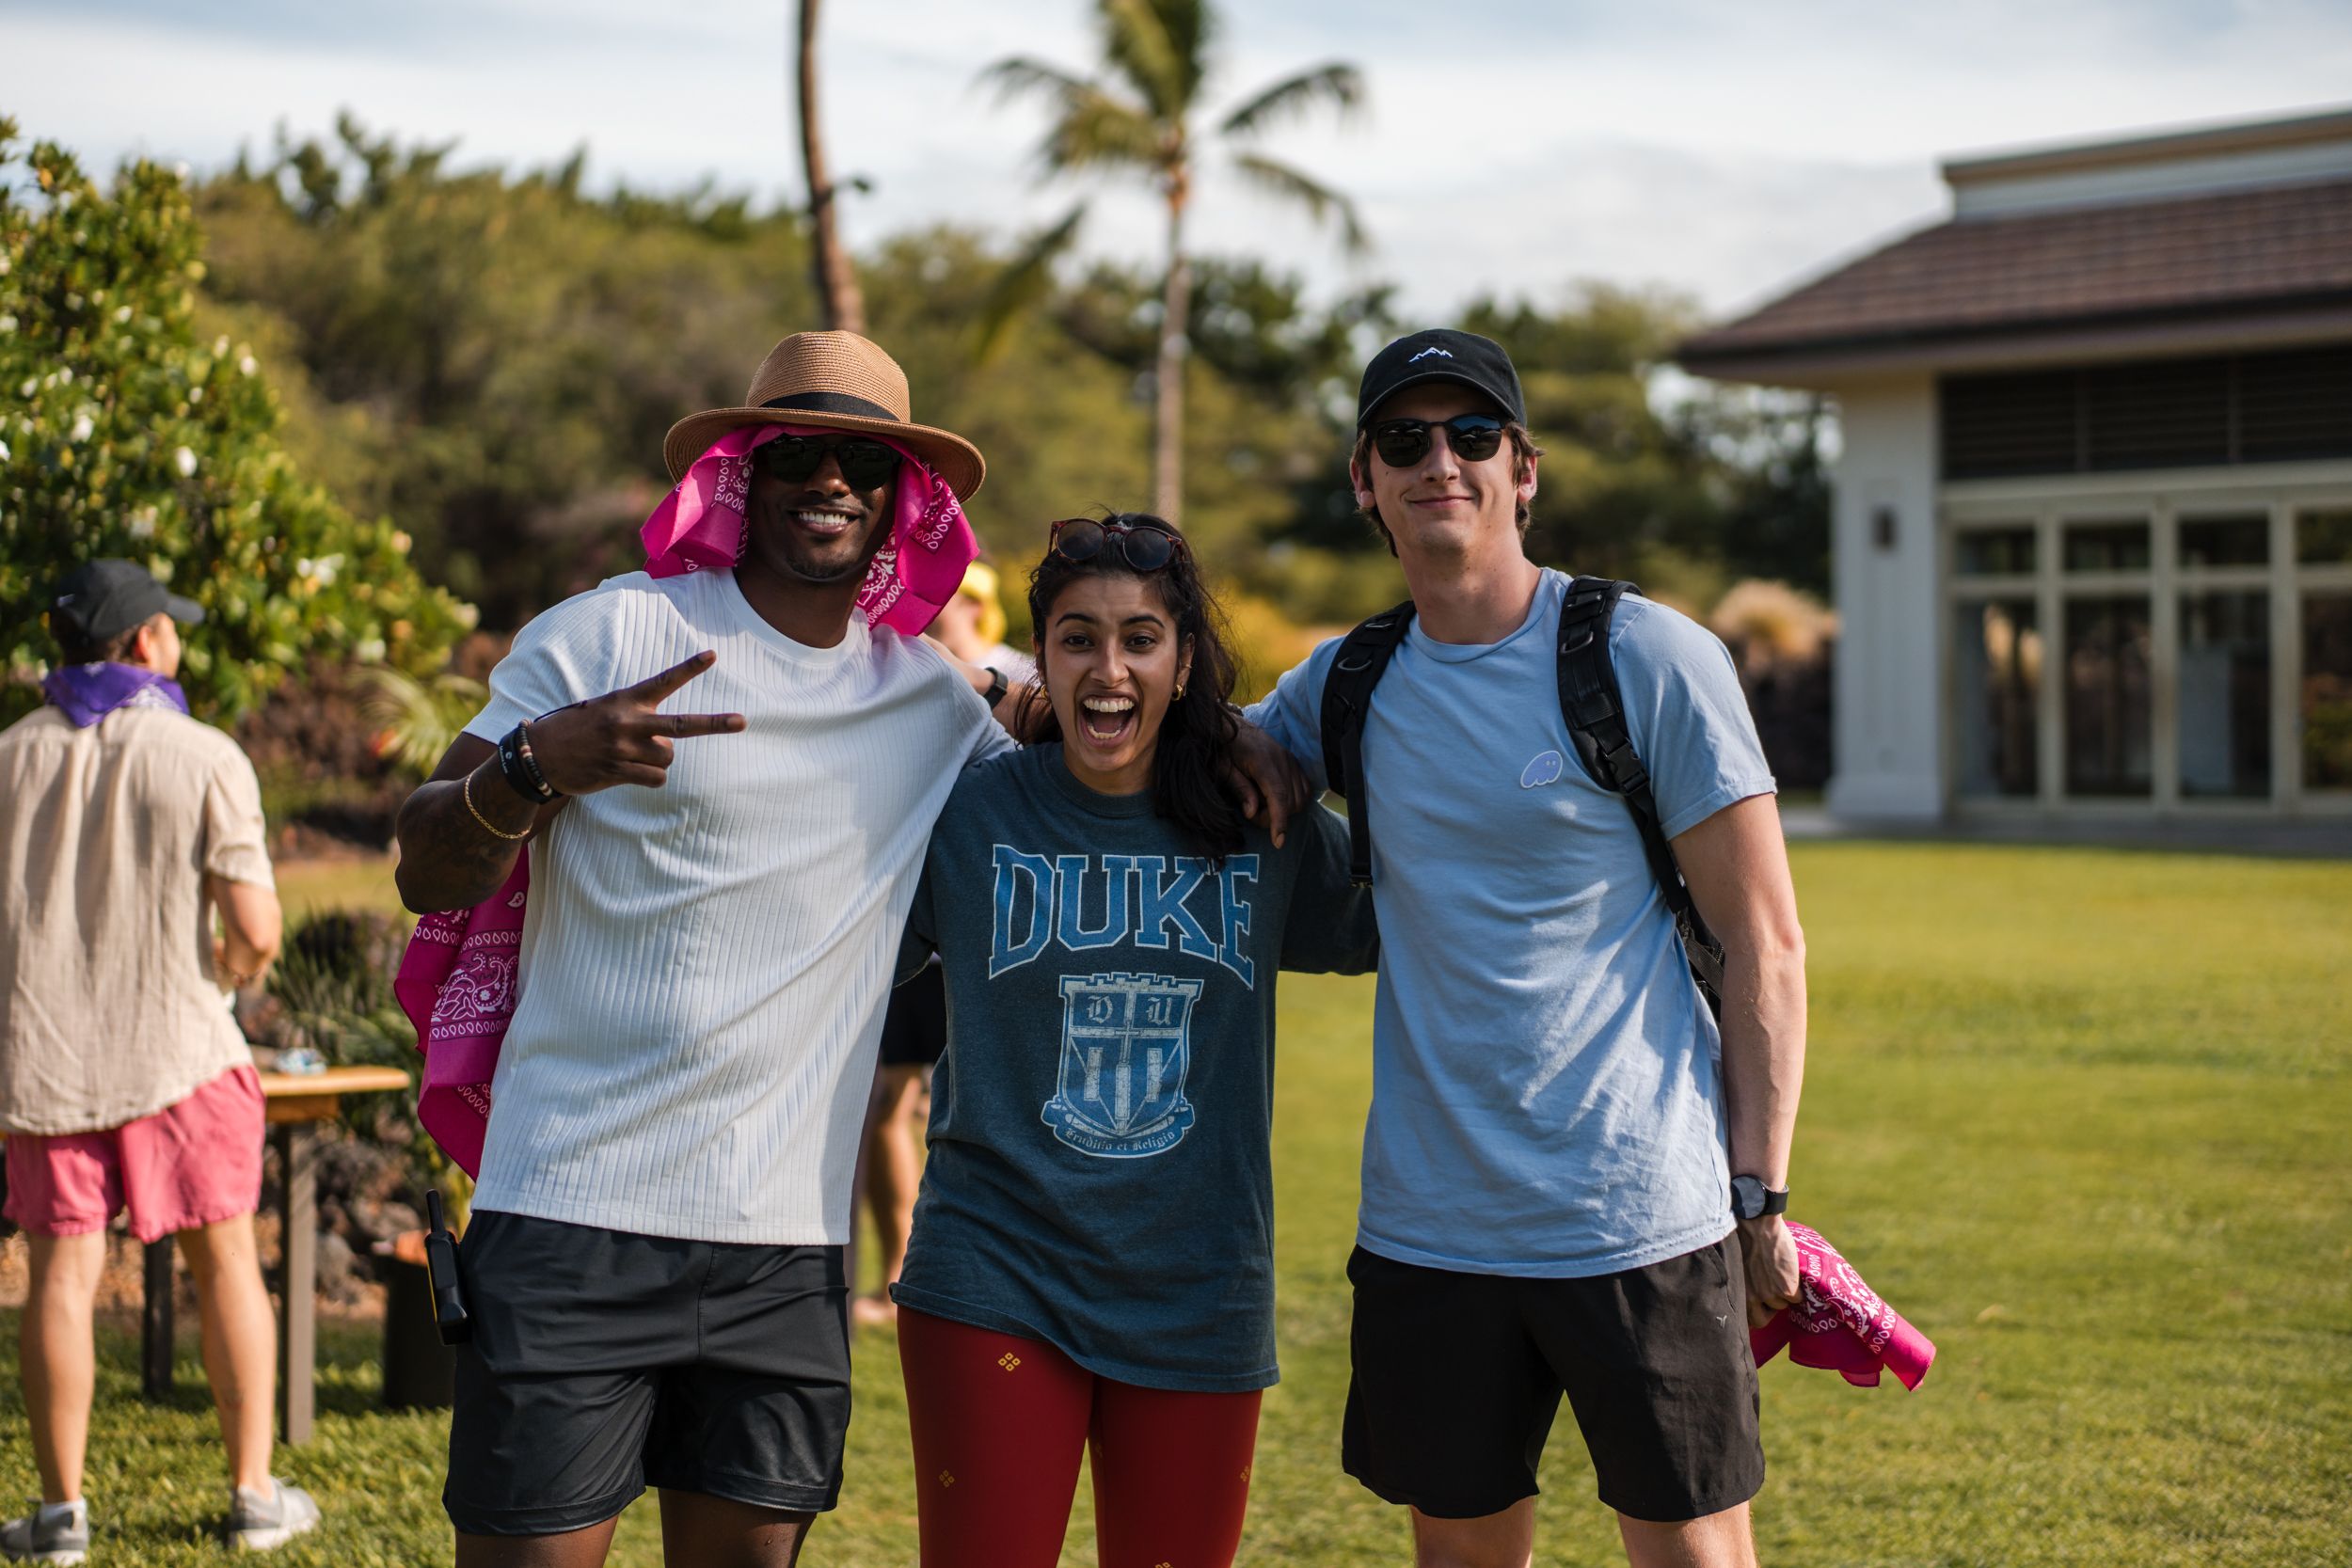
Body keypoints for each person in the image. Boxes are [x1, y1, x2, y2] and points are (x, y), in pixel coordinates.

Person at [392, 333, 1304, 1568]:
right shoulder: (611, 636)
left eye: (863, 462)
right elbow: (426, 862)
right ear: (742, 472)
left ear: (903, 501)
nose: (830, 479)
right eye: (798, 451)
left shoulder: (931, 705)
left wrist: (1228, 738)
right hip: (568, 1219)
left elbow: (1090, 730)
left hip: (784, 1250)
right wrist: (534, 766)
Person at [1246, 330, 1809, 1568]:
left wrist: (1761, 1191)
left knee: (1696, 1552)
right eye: (1404, 439)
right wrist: (1009, 698)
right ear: (1364, 479)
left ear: (1524, 467)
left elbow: (1762, 935)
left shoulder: (1645, 655)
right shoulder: (1345, 683)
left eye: (1470, 434)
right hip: (1429, 1224)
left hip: (1639, 1215)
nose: (1438, 459)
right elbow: (1170, 758)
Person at [889, 515, 1378, 1568]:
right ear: (1041, 656)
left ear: (1184, 659)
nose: (1108, 668)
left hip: (1198, 1276)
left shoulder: (1263, 818)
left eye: (1141, 637)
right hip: (992, 1265)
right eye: (1077, 638)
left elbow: (1430, 916)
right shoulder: (967, 812)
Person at [0, 560, 321, 1559]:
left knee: (59, 1275)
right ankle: (254, 1494)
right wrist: (233, 966)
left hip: (45, 1058)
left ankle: (58, 1516)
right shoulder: (205, 755)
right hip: (183, 1048)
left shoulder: (6, 755)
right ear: (145, 642)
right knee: (226, 1262)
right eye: (168, 628)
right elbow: (257, 928)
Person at [852, 562, 1037, 1330]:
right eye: (940, 596)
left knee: (983, 1110)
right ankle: (894, 1273)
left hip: (985, 942)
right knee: (888, 1103)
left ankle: (991, 1275)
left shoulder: (1024, 685)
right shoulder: (889, 675)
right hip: (902, 932)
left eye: (967, 598)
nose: (948, 610)